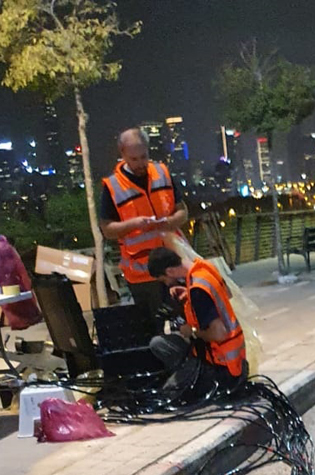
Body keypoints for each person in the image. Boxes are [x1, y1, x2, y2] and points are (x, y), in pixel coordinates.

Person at [100, 128, 189, 316]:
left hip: (174, 265)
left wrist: (171, 221)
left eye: (144, 156)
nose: (141, 163)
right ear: (122, 154)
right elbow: (107, 229)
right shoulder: (113, 186)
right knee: (152, 326)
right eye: (134, 159)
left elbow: (182, 211)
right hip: (142, 274)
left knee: (187, 320)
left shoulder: (162, 173)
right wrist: (134, 224)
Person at [145, 246, 247, 389]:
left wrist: (191, 330)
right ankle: (189, 370)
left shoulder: (198, 291)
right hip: (238, 363)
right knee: (158, 343)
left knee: (168, 392)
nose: (167, 284)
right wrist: (189, 294)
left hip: (222, 369)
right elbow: (226, 294)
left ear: (170, 271)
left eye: (164, 280)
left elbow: (219, 333)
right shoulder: (205, 269)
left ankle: (193, 378)